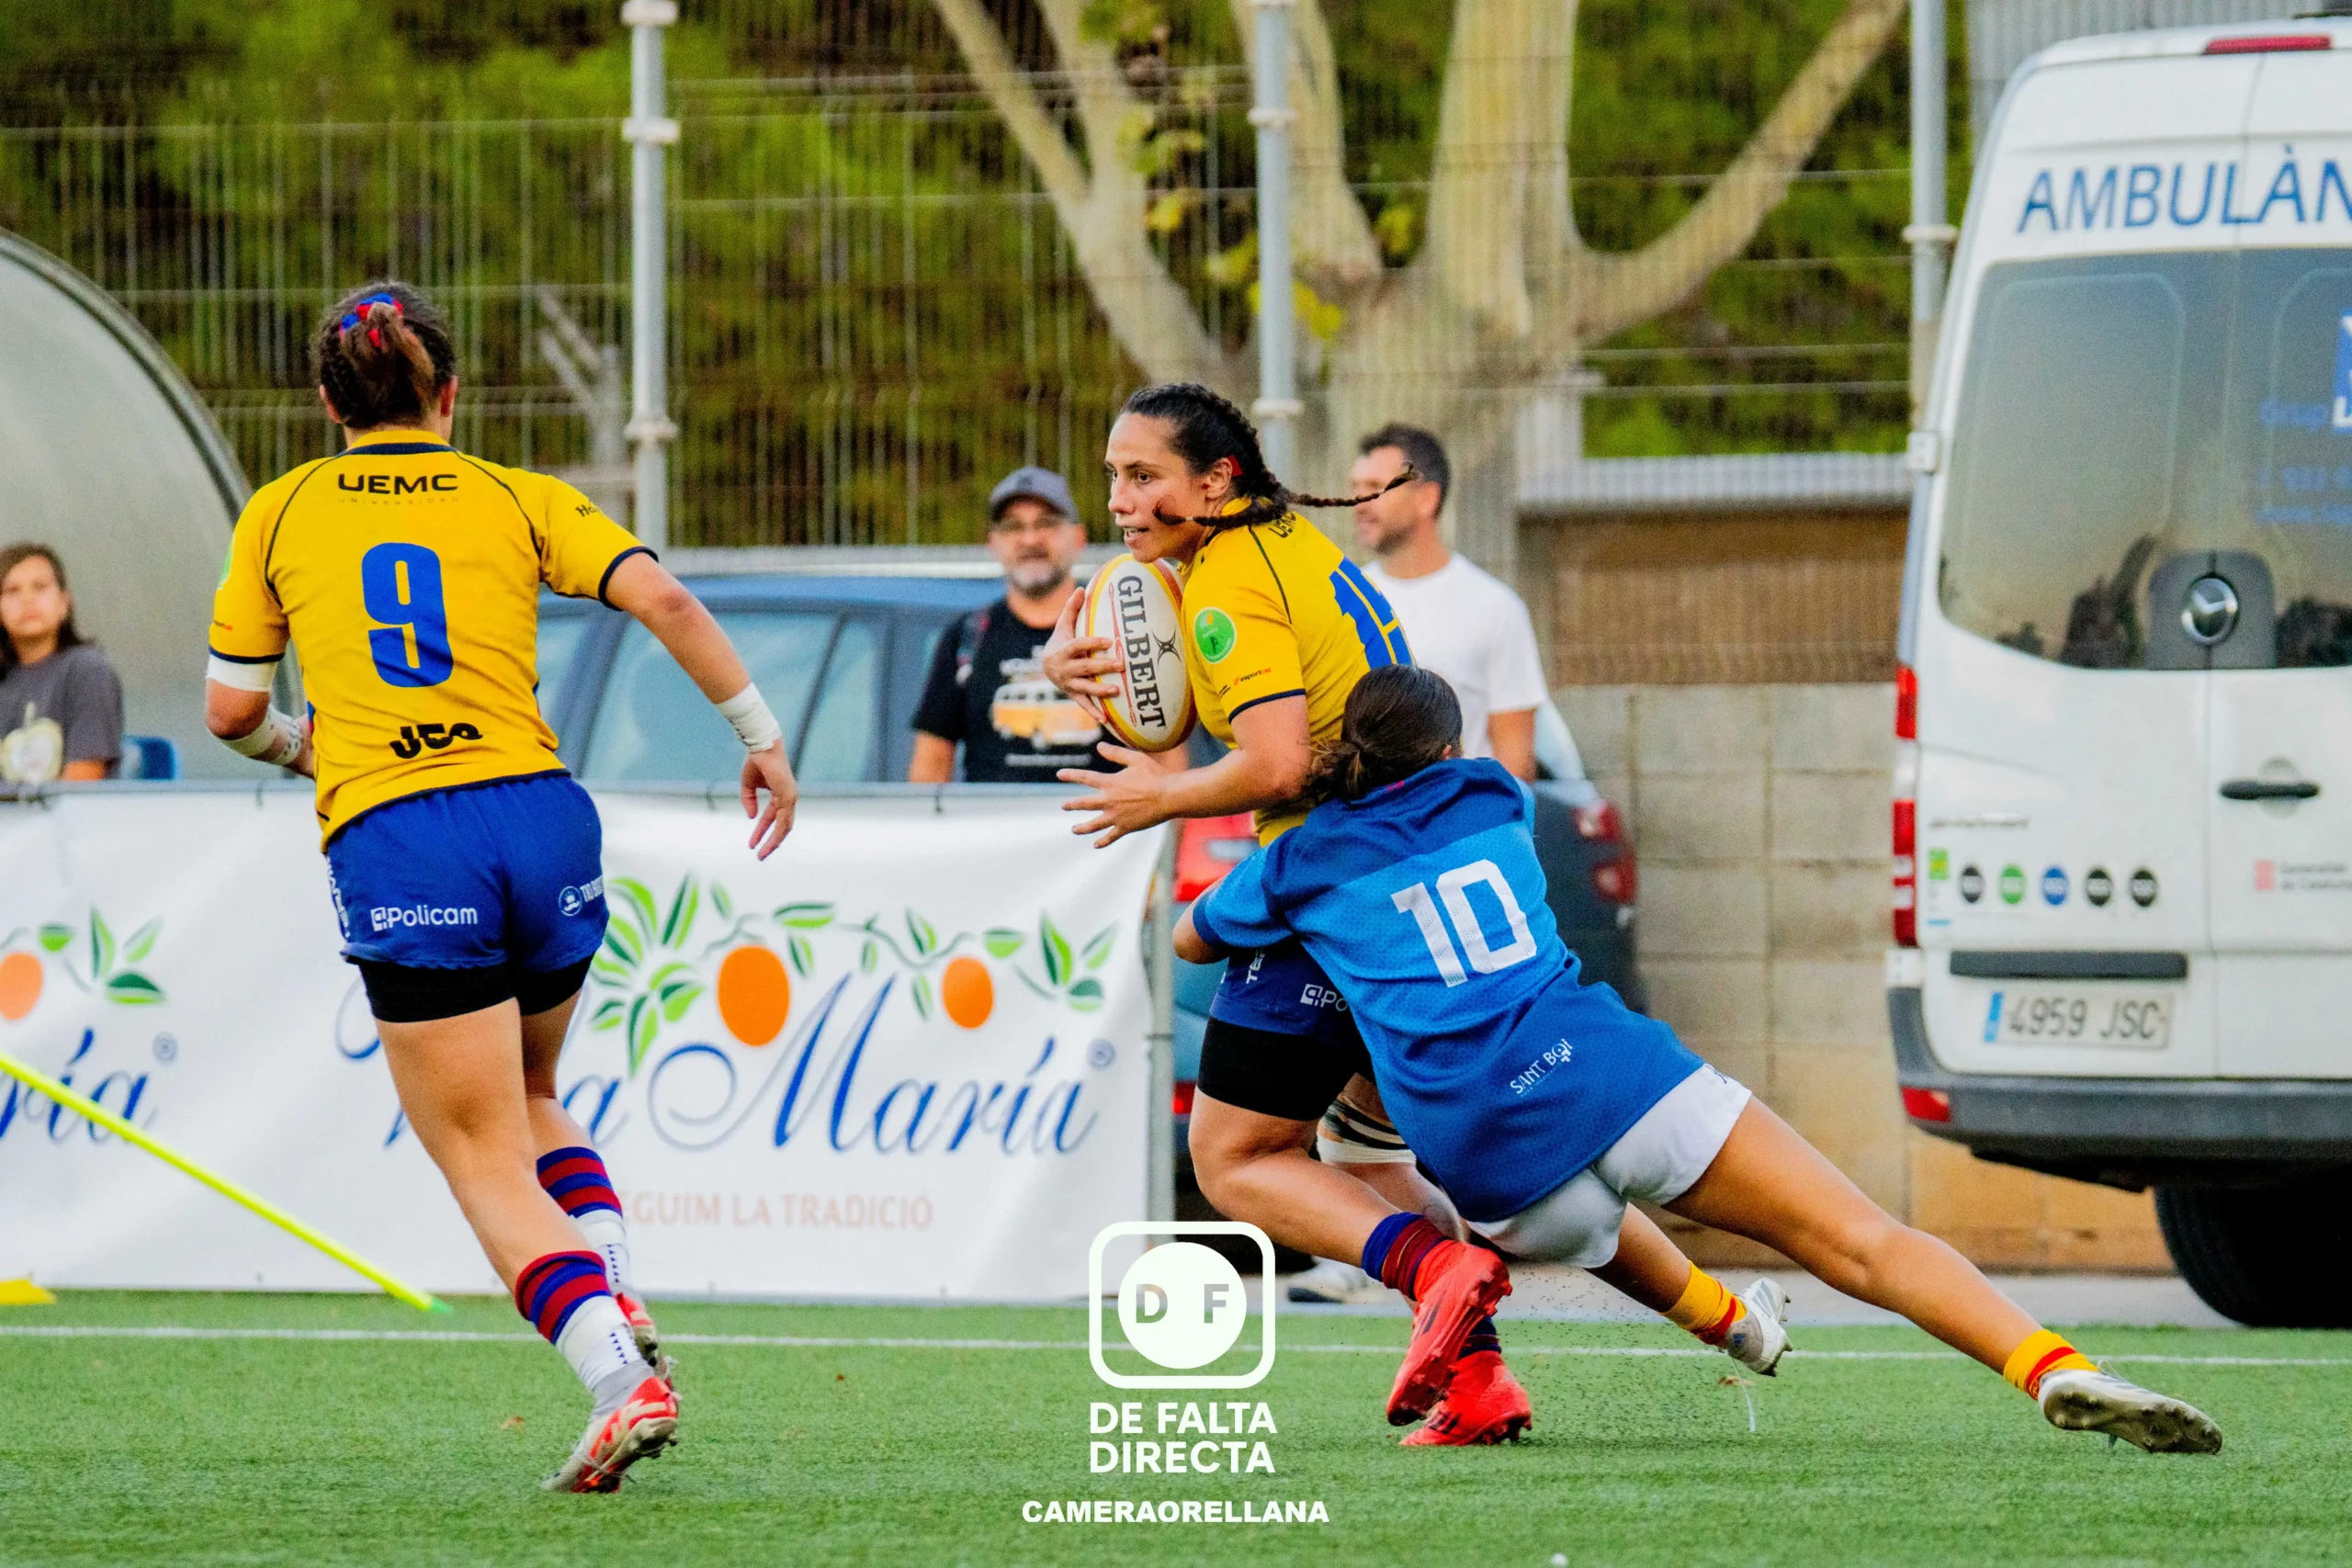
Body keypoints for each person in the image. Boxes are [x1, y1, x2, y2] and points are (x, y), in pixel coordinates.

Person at [1177, 666, 2224, 1457]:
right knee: (1857, 1240)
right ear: (1448, 752)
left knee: (1418, 1166)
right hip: (1600, 1068)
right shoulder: (1493, 796)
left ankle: (1715, 1321)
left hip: (1490, 1169)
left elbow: (1194, 938)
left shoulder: (1297, 864)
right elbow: (1464, 782)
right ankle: (2048, 1368)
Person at [1042, 383, 1773, 1445]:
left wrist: (1158, 798)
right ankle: (1547, 1364)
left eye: (1142, 474)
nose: (1118, 497)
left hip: (1327, 892)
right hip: (1410, 874)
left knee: (1238, 1158)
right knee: (1388, 1156)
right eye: (1112, 474)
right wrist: (1090, 684)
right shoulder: (1272, 543)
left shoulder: (1222, 583)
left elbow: (1274, 760)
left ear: (1216, 481)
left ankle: (1436, 1268)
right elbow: (1203, 711)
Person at [203, 280, 799, 1494]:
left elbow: (229, 708)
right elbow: (666, 599)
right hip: (541, 817)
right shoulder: (515, 494)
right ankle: (612, 1276)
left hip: (405, 835)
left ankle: (616, 1370)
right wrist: (762, 735)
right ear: (452, 393)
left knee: (475, 1149)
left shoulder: (278, 510)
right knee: (530, 1092)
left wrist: (301, 745)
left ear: (327, 403)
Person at [1351, 425, 1546, 781]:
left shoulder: (1494, 608)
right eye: (1355, 489)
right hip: (1369, 830)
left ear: (1427, 499)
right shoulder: (1347, 600)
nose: (1359, 504)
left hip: (1455, 829)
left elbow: (1515, 764)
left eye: (1375, 488)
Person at [909, 467, 1104, 783]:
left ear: (1079, 538)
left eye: (1047, 523)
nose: (1030, 539)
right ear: (993, 543)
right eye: (1014, 527)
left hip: (1105, 829)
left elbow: (1164, 761)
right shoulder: (967, 638)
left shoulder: (1116, 629)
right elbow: (930, 767)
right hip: (996, 830)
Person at [0, 543, 123, 784]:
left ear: (65, 603)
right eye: (12, 591)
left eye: (40, 587)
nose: (28, 599)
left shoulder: (88, 671)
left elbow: (80, 791)